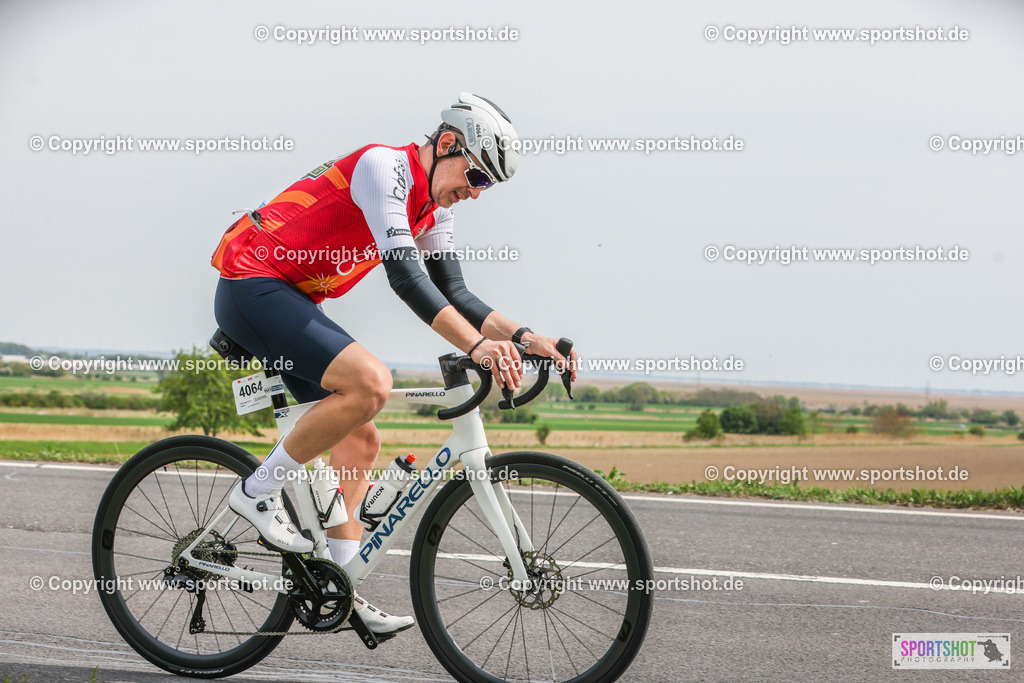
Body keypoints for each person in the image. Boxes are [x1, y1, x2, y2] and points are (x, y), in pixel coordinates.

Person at [210, 92, 578, 636]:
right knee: (371, 383)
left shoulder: (435, 207)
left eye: (486, 188)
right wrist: (478, 348)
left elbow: (455, 291)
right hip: (252, 281)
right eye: (476, 179)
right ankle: (256, 493)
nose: (475, 195)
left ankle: (340, 583)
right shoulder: (385, 167)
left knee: (360, 441)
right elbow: (407, 279)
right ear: (448, 144)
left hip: (293, 297)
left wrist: (526, 336)